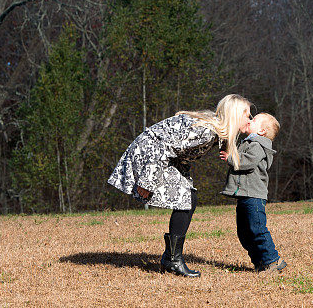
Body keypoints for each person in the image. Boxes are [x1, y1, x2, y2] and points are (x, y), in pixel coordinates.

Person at [108, 94, 252, 277]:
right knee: (187, 198)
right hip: (150, 152)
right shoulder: (206, 132)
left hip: (161, 155)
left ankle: (171, 258)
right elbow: (164, 147)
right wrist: (147, 181)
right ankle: (172, 260)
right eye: (247, 114)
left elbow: (180, 151)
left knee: (188, 198)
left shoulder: (215, 132)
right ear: (235, 115)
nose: (250, 119)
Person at [220, 112, 287, 273]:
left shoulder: (259, 145)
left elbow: (247, 162)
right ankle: (260, 262)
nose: (249, 120)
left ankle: (273, 260)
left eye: (254, 120)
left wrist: (231, 158)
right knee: (244, 232)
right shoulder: (248, 143)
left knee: (257, 228)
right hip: (245, 195)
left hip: (254, 196)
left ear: (262, 131)